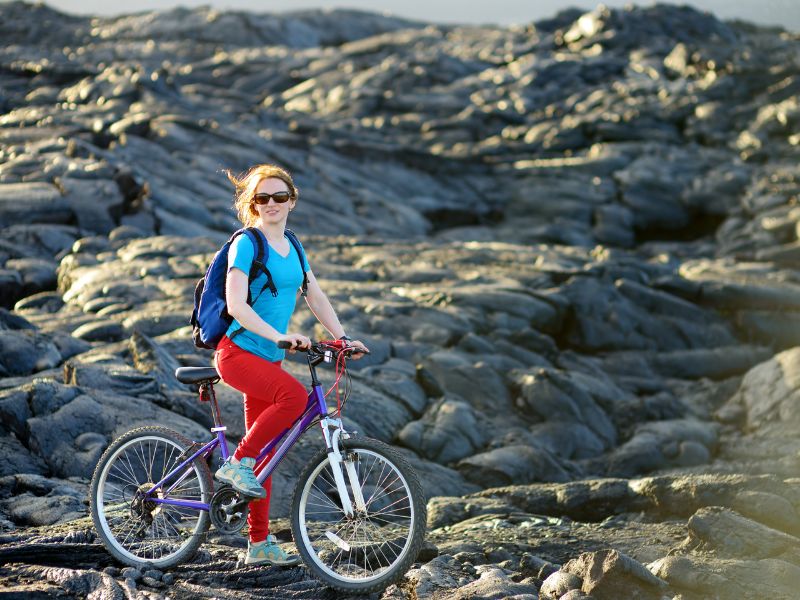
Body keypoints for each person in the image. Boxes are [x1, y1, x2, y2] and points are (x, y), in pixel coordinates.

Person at [213, 164, 368, 566]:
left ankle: (258, 545)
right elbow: (235, 304)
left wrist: (342, 337)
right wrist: (279, 336)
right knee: (294, 399)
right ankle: (236, 463)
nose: (271, 204)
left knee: (268, 456)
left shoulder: (294, 247)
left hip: (268, 359)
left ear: (292, 201)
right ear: (252, 204)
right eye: (262, 198)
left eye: (279, 197)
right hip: (238, 355)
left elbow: (314, 295)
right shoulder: (246, 244)